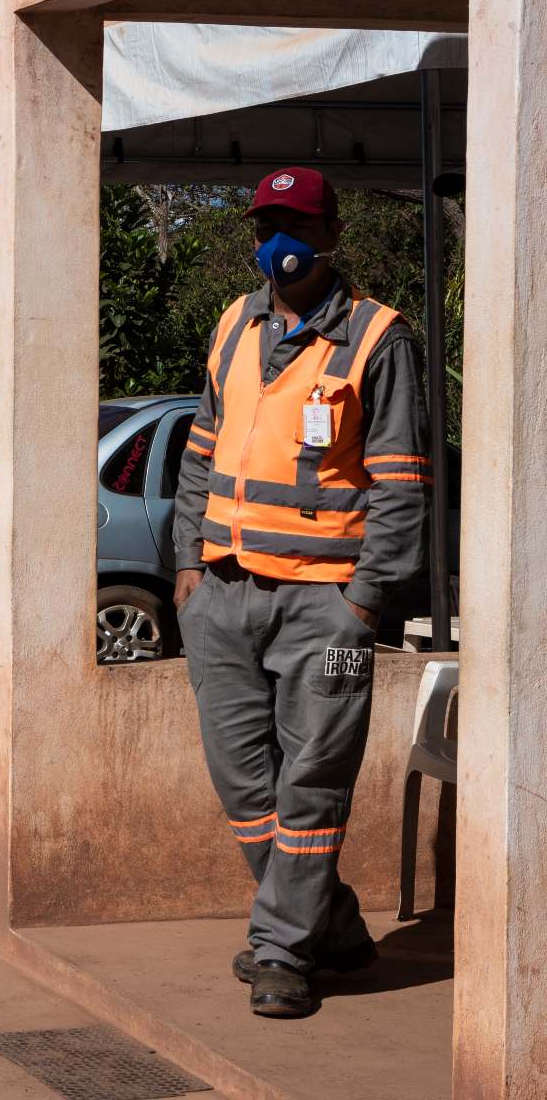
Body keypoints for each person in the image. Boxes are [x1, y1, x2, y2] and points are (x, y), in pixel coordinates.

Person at [172, 166, 429, 1019]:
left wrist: (363, 602)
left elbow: (401, 486)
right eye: (265, 223)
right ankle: (334, 925)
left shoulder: (378, 339)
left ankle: (281, 952)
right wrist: (185, 573)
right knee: (246, 786)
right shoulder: (235, 325)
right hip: (223, 593)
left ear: (329, 237)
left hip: (328, 609)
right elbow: (199, 453)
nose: (276, 243)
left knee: (312, 783)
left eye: (294, 225)